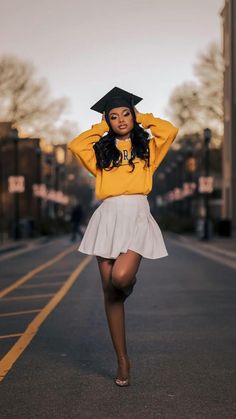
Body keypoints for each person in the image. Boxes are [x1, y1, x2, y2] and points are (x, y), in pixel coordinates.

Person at [67, 86, 179, 387]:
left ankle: (128, 282)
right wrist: (101, 125)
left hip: (136, 215)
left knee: (120, 279)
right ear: (107, 120)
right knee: (110, 295)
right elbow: (76, 145)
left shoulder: (148, 151)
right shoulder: (100, 154)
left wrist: (142, 117)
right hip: (108, 217)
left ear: (133, 115)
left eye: (125, 114)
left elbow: (169, 131)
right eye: (113, 116)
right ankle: (122, 359)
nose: (120, 120)